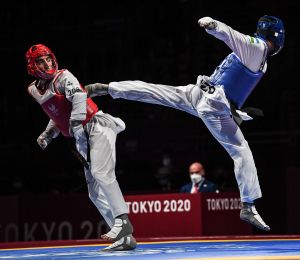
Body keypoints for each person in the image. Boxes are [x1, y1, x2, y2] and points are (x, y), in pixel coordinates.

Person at [85, 15, 285, 232]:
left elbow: (232, 81)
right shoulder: (258, 49)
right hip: (212, 107)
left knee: (156, 91)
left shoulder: (259, 59)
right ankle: (248, 204)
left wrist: (236, 110)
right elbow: (233, 37)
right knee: (241, 151)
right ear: (278, 37)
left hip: (200, 93)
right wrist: (214, 26)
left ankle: (107, 88)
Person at [25, 44, 136, 251]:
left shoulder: (64, 77)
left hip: (96, 125)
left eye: (49, 59)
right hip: (81, 138)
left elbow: (77, 98)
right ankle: (125, 239)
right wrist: (48, 134)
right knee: (94, 192)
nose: (47, 63)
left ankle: (122, 220)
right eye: (41, 61)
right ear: (32, 66)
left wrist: (75, 123)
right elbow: (57, 114)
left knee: (101, 172)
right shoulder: (34, 89)